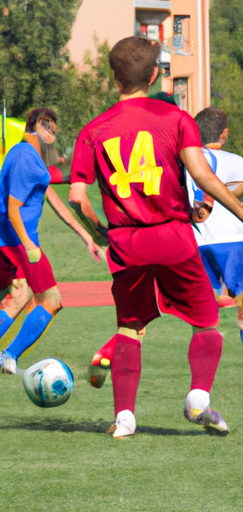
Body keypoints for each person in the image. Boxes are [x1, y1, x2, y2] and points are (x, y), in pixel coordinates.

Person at [68, 36, 243, 438]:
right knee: (206, 322)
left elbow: (77, 196)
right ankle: (198, 397)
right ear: (154, 74)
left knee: (130, 327)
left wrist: (101, 229)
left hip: (128, 242)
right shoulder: (176, 119)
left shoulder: (94, 129)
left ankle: (125, 418)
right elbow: (202, 175)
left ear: (114, 78)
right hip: (174, 236)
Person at [0, 108, 101, 376]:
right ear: (36, 125)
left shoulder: (27, 156)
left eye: (54, 131)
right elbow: (13, 208)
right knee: (50, 299)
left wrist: (87, 237)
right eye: (49, 128)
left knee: (11, 298)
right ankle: (2, 355)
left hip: (11, 239)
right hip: (19, 240)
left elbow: (55, 201)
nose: (52, 135)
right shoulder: (26, 156)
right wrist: (28, 244)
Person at [185, 106, 243, 341]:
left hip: (195, 242)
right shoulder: (236, 161)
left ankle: (203, 364)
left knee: (202, 318)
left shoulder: (186, 162)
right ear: (225, 134)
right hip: (233, 241)